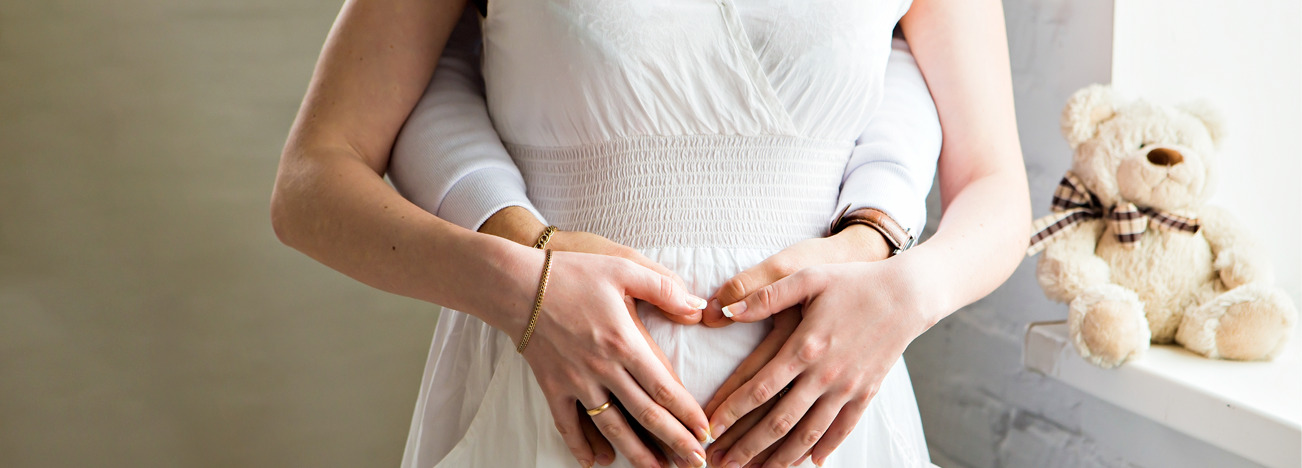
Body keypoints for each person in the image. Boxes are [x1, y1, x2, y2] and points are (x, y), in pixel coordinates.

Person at [270, 0, 1029, 466]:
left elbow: (996, 189)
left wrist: (903, 296)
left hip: (819, 421)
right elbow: (312, 183)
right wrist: (520, 288)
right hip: (555, 420)